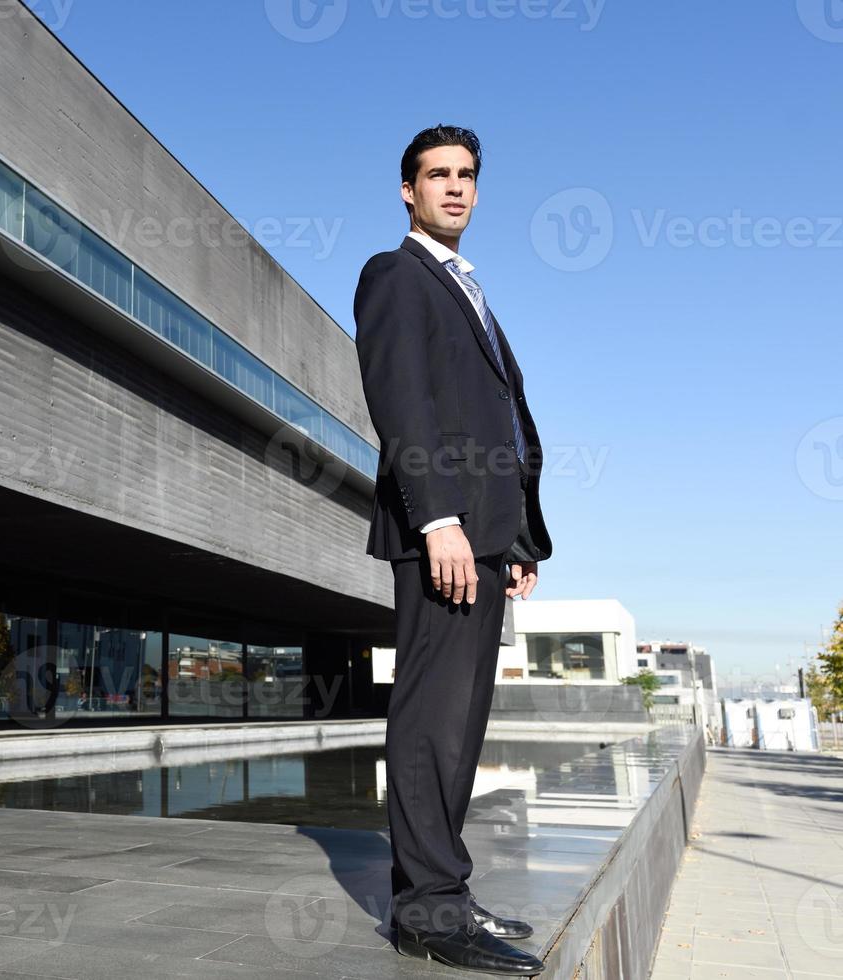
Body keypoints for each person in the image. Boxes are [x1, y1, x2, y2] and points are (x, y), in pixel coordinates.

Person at [353, 125, 554, 976]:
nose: (455, 187)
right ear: (407, 190)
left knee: (460, 725)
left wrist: (512, 538)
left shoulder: (467, 288)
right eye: (437, 175)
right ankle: (426, 912)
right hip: (440, 535)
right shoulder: (395, 275)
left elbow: (495, 418)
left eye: (467, 174)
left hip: (480, 537)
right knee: (431, 717)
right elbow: (401, 401)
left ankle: (445, 890)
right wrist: (437, 521)